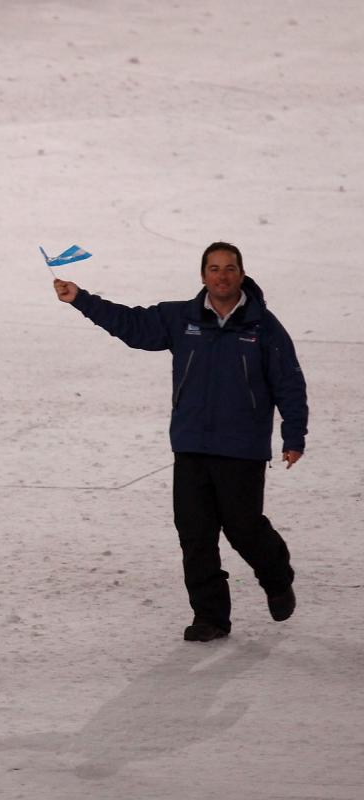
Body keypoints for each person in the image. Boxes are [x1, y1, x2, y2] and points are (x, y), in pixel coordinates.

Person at [53, 242, 307, 642]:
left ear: (241, 274)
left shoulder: (264, 328)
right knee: (195, 533)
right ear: (202, 275)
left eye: (229, 268)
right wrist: (81, 299)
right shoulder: (182, 318)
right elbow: (132, 325)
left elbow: (289, 384)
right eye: (213, 268)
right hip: (190, 445)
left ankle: (277, 576)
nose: (221, 276)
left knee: (243, 528)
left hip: (241, 447)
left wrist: (294, 436)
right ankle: (210, 617)